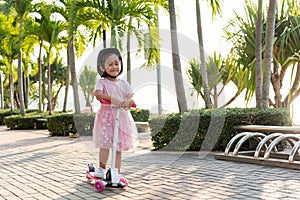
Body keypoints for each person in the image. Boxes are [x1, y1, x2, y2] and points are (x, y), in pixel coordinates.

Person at [93, 47, 139, 179]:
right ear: (102, 67)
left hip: (121, 118)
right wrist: (112, 99)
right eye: (110, 64)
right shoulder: (102, 82)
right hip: (106, 117)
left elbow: (131, 97)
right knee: (106, 144)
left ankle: (116, 172)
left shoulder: (124, 83)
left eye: (116, 64)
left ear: (121, 64)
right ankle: (102, 168)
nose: (114, 67)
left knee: (118, 146)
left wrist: (128, 102)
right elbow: (98, 94)